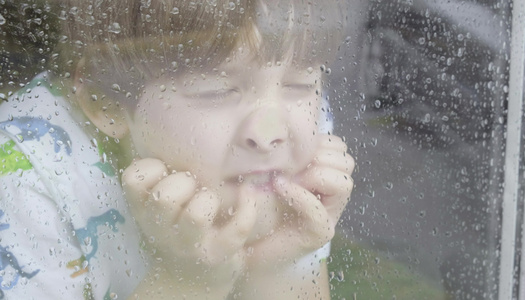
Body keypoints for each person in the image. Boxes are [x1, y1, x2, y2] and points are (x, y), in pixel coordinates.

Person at [0, 0, 355, 299]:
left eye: (300, 83)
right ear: (105, 101)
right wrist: (189, 281)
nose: (270, 133)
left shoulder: (296, 124)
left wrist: (280, 261)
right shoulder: (24, 180)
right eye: (216, 91)